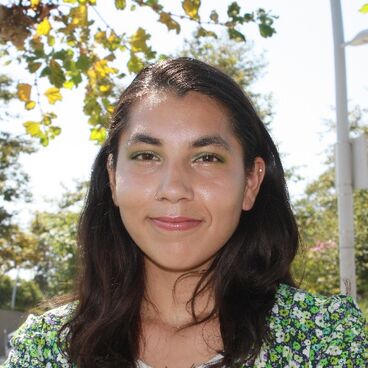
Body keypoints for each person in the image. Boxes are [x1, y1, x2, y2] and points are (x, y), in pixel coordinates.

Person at [2, 58, 367, 368]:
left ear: (251, 182)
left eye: (206, 158)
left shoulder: (325, 338)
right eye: (147, 156)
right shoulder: (46, 349)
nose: (174, 188)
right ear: (113, 178)